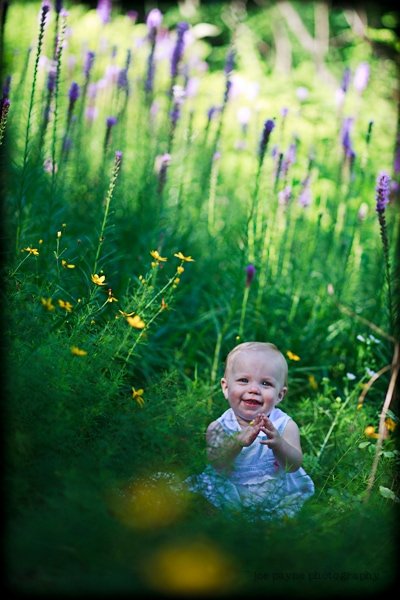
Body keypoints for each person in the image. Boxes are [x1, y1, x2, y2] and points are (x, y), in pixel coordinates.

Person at [188, 341, 314, 520]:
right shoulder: (219, 427)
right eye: (243, 380)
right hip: (228, 487)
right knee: (208, 507)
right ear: (226, 387)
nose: (254, 389)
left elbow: (293, 465)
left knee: (278, 517)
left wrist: (278, 443)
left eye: (265, 383)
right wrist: (237, 442)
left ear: (280, 395)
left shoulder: (284, 425)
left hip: (272, 490)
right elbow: (218, 463)